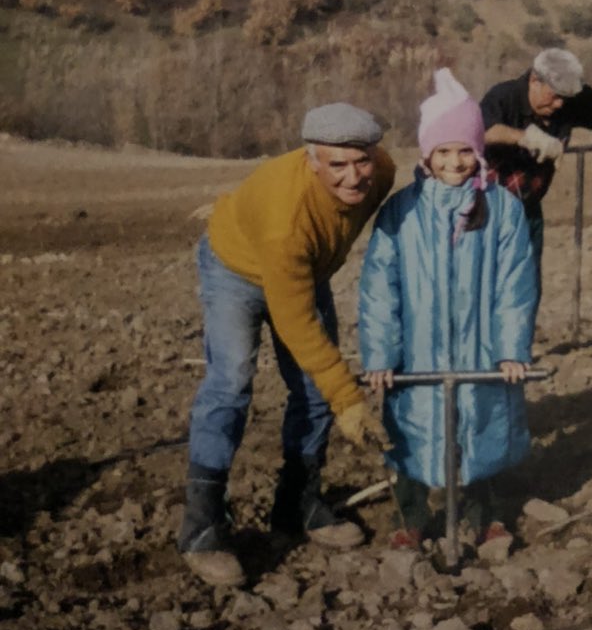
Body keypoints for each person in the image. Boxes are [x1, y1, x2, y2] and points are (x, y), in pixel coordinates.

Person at [178, 103, 395, 587]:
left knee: (314, 391)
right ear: (311, 159)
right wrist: (350, 399)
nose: (353, 176)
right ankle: (202, 528)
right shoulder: (287, 222)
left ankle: (298, 506)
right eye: (337, 165)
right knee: (231, 381)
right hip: (237, 268)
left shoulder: (382, 173)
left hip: (300, 269)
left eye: (361, 160)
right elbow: (296, 323)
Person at [358, 69, 538, 549]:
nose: (455, 162)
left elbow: (515, 283)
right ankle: (412, 519)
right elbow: (380, 286)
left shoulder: (503, 209)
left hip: (481, 348)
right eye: (444, 151)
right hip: (416, 353)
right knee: (410, 433)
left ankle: (485, 518)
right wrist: (380, 354)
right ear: (427, 155)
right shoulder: (401, 212)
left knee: (480, 429)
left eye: (464, 150)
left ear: (478, 151)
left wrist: (511, 347)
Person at [481, 47, 592, 307]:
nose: (559, 105)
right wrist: (523, 137)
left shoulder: (567, 103)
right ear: (535, 80)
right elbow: (481, 130)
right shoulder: (503, 96)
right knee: (484, 289)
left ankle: (519, 347)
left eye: (565, 100)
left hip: (528, 210)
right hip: (486, 211)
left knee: (525, 291)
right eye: (554, 97)